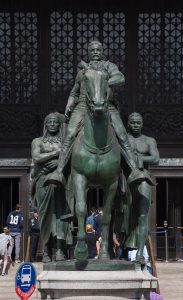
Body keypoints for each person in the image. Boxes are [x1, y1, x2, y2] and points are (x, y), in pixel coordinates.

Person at [48, 40, 153, 186]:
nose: (96, 52)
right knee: (70, 134)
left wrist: (101, 81)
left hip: (106, 105)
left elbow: (120, 78)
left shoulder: (109, 66)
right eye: (93, 50)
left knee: (122, 135)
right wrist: (69, 103)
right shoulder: (82, 72)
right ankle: (59, 172)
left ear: (102, 51)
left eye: (98, 50)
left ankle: (134, 170)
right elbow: (74, 92)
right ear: (89, 53)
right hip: (83, 105)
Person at [31, 112, 73, 262]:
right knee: (46, 215)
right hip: (43, 181)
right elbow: (36, 157)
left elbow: (72, 159)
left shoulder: (65, 142)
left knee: (61, 216)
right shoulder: (38, 141)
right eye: (50, 122)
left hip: (60, 182)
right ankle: (46, 250)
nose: (53, 124)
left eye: (56, 122)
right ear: (46, 124)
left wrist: (59, 163)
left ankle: (60, 250)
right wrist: (57, 153)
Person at [124, 112, 160, 264]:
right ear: (128, 124)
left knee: (142, 215)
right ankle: (121, 250)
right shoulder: (123, 138)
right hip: (125, 179)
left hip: (143, 177)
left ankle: (140, 252)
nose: (135, 125)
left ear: (142, 124)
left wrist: (139, 158)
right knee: (123, 215)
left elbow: (156, 158)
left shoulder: (149, 140)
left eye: (138, 122)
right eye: (133, 122)